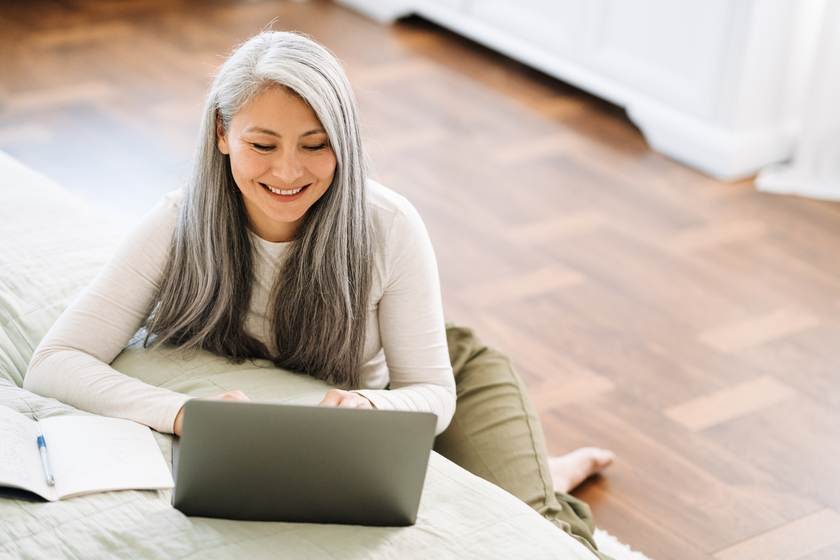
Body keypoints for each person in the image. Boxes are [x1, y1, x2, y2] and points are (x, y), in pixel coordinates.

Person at [24, 31, 614, 558]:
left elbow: (432, 389)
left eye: (315, 144)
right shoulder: (179, 222)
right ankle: (545, 470)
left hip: (437, 364)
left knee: (541, 533)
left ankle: (548, 479)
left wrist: (373, 408)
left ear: (346, 141)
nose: (287, 172)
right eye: (263, 144)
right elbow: (52, 363)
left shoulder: (389, 224)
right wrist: (183, 414)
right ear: (223, 134)